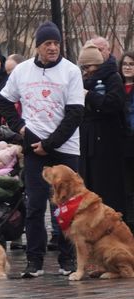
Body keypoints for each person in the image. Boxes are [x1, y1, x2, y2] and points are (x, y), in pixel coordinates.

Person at [0, 21, 84, 278]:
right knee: (35, 204)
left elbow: (75, 113)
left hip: (65, 147)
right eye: (48, 43)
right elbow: (4, 101)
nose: (53, 48)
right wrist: (21, 128)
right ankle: (34, 260)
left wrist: (50, 144)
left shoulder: (71, 71)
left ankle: (67, 259)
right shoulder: (22, 71)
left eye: (56, 43)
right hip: (33, 145)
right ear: (38, 46)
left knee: (67, 206)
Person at [77, 42, 127, 215]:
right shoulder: (84, 80)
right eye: (84, 67)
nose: (87, 70)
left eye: (90, 66)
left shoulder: (113, 78)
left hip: (107, 140)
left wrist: (89, 96)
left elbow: (114, 104)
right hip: (87, 139)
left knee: (108, 187)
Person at [121, 51, 134, 231]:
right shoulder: (118, 86)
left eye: (131, 64)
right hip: (121, 143)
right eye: (125, 64)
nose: (128, 67)